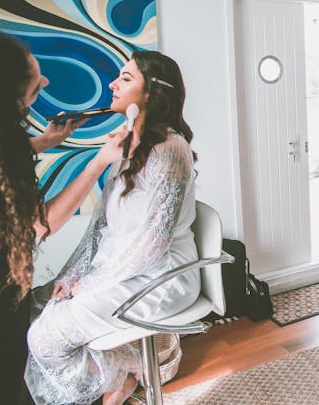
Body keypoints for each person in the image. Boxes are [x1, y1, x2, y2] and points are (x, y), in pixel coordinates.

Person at [0, 26, 128, 404]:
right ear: (7, 101)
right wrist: (97, 161)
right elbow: (41, 223)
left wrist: (45, 142)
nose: (46, 81)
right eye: (35, 85)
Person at [25, 50, 200, 405]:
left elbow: (152, 242)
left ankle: (128, 371)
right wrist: (71, 274)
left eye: (125, 77)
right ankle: (121, 378)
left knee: (44, 338)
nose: (112, 83)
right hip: (120, 271)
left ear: (152, 92)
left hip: (161, 277)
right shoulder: (126, 148)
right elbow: (99, 226)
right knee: (34, 305)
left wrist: (89, 283)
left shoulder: (170, 149)